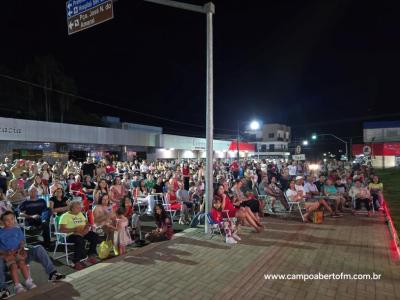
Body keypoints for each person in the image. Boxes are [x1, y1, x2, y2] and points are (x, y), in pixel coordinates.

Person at [0, 244, 65, 299]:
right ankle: (2, 289)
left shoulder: (16, 229)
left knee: (39, 248)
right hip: (6, 257)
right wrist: (7, 255)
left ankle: (52, 273)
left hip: (19, 254)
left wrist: (23, 249)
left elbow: (22, 242)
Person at [0, 211, 36, 294]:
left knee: (22, 263)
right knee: (13, 266)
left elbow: (21, 241)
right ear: (2, 222)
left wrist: (21, 248)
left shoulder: (17, 229)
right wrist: (5, 253)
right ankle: (17, 285)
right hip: (8, 255)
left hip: (18, 252)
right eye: (7, 220)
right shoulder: (1, 232)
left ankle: (28, 282)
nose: (10, 221)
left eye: (12, 219)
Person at [59, 201, 99, 270]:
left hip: (82, 232)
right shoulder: (65, 216)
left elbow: (87, 224)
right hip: (71, 234)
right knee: (79, 240)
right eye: (78, 208)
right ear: (71, 208)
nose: (80, 209)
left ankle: (91, 255)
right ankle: (76, 261)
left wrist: (86, 230)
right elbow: (62, 230)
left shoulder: (80, 214)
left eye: (80, 207)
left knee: (94, 236)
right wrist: (74, 229)